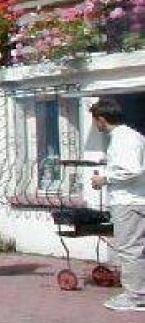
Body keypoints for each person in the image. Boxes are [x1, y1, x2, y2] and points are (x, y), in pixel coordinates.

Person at [89, 98, 145, 312]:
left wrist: (105, 179)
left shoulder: (124, 138)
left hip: (129, 202)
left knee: (130, 249)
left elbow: (132, 169)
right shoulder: (130, 136)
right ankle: (138, 291)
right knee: (137, 248)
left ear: (102, 119)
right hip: (134, 200)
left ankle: (136, 296)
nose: (96, 126)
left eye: (95, 121)